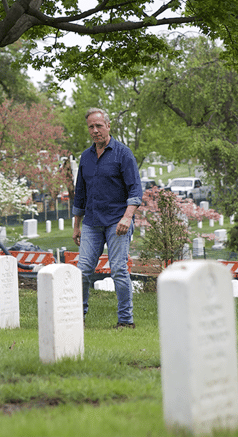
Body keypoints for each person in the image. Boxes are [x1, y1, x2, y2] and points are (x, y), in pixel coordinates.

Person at [72, 108, 142, 328]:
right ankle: (78, 317)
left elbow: (135, 190)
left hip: (117, 222)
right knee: (82, 270)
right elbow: (80, 193)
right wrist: (76, 226)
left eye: (99, 126)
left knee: (119, 271)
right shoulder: (86, 157)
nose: (95, 131)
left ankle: (125, 321)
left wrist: (127, 218)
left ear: (108, 126)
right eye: (91, 127)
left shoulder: (123, 154)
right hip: (92, 222)